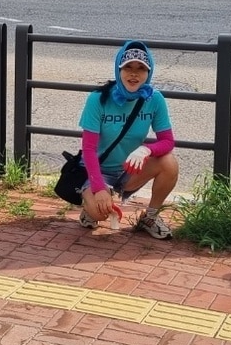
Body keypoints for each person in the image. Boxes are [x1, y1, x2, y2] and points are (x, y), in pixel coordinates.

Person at [72, 41, 179, 239]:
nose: (134, 74)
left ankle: (150, 218)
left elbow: (168, 141)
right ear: (118, 69)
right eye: (128, 67)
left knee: (169, 162)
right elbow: (88, 149)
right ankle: (90, 209)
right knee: (100, 212)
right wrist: (99, 187)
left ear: (149, 72)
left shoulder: (154, 99)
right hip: (98, 171)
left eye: (141, 68)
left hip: (129, 170)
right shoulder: (98, 99)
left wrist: (146, 150)